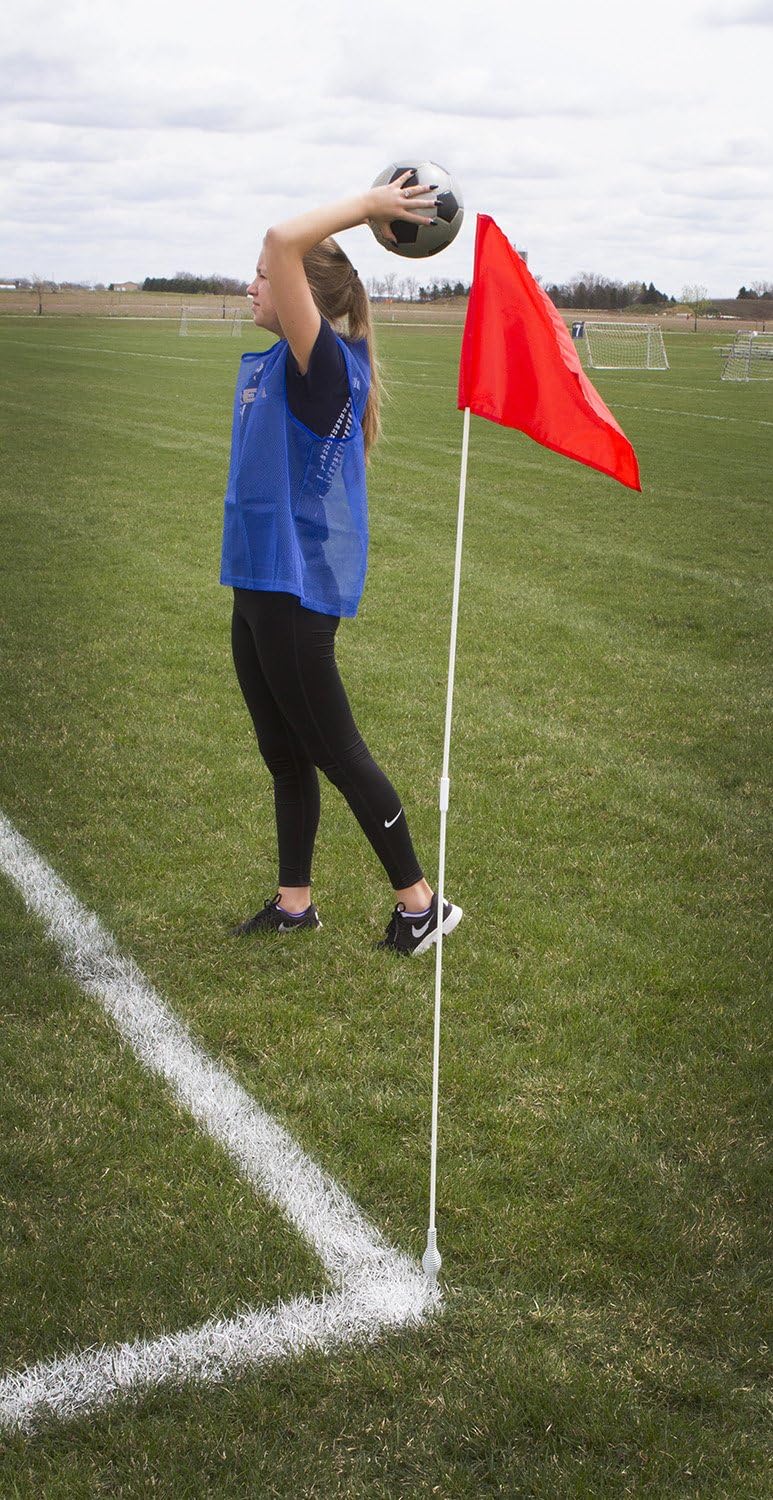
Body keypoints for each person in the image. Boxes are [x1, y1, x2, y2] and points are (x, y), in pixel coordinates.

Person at [221, 172, 463, 956]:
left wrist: (367, 208)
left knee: (336, 751)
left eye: (263, 277)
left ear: (304, 299)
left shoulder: (320, 365)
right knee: (283, 753)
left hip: (295, 593)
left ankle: (421, 903)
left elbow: (284, 239)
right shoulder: (278, 364)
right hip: (256, 584)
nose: (252, 281)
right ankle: (295, 904)